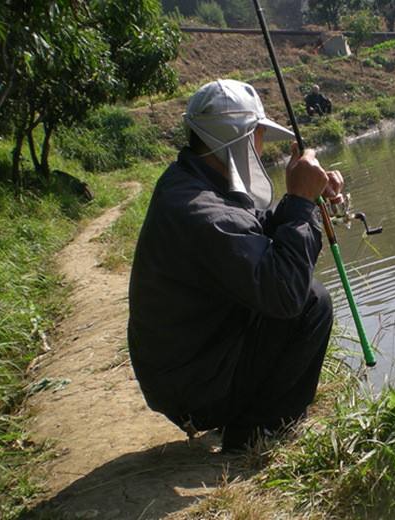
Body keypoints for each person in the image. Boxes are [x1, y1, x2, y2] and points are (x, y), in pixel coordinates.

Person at [127, 79, 344, 451]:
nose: (261, 148)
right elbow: (285, 293)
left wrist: (303, 203)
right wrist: (300, 204)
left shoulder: (192, 183)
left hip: (190, 368)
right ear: (240, 138)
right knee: (311, 302)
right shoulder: (201, 210)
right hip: (194, 388)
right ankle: (258, 431)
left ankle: (253, 417)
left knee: (301, 295)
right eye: (258, 135)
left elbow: (250, 242)